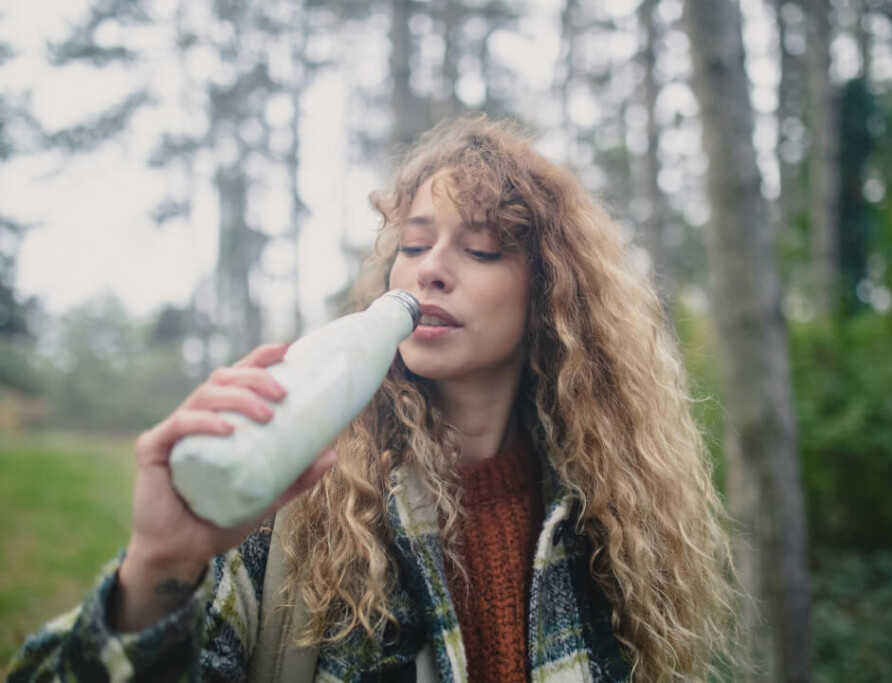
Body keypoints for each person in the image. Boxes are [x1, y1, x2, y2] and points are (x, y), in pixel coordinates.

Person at [8, 116, 736, 682]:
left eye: (481, 249)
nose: (432, 272)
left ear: (551, 292)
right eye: (413, 245)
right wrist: (157, 568)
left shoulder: (610, 525)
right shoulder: (304, 491)